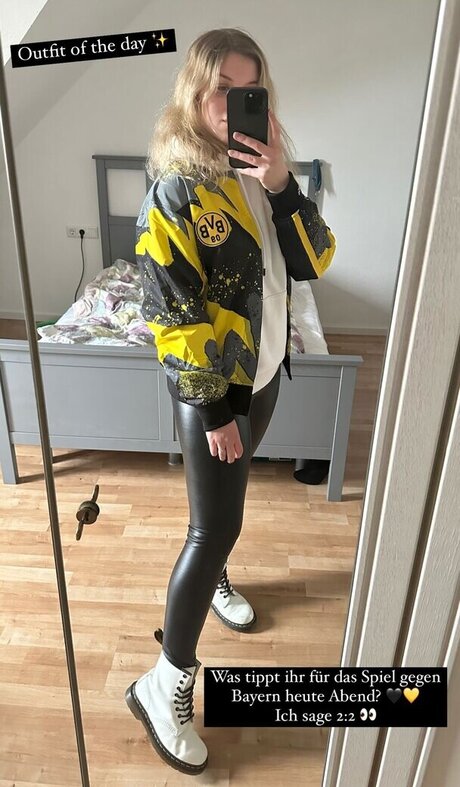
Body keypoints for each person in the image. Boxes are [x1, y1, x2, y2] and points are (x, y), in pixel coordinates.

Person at [126, 27, 336, 775]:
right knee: (212, 526)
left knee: (228, 507)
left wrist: (283, 185)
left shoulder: (267, 173)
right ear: (195, 93)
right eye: (223, 88)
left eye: (252, 90)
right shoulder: (177, 190)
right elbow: (172, 312)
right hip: (216, 388)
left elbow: (314, 259)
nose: (236, 103)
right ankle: (164, 683)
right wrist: (214, 411)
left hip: (266, 370)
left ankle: (215, 575)